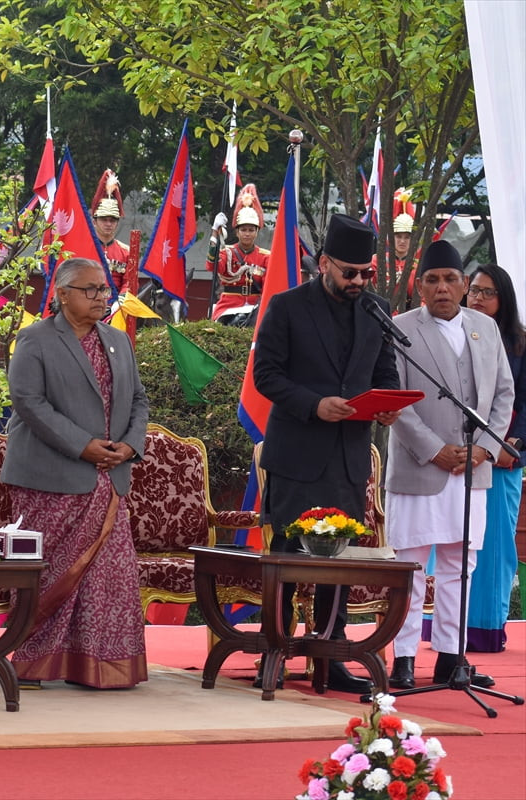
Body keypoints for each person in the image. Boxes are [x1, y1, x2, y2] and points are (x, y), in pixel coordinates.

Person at [252, 213, 401, 694]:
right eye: (349, 272)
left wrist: (387, 406)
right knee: (287, 557)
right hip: (297, 455)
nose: (358, 282)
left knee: (339, 559)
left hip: (347, 457)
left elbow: (385, 372)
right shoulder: (288, 306)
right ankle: (274, 649)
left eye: (366, 273)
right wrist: (315, 405)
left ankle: (329, 651)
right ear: (323, 264)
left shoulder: (376, 310)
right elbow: (266, 375)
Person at [0, 257, 149, 689]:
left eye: (104, 289)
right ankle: (31, 663)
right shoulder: (35, 339)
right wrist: (83, 446)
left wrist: (130, 445)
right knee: (48, 574)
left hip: (110, 478)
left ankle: (100, 667)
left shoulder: (118, 340)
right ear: (62, 294)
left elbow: (138, 401)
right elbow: (28, 401)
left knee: (108, 579)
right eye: (91, 289)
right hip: (51, 478)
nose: (102, 297)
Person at [385, 242, 514, 689]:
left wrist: (483, 448)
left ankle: (451, 656)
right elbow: (396, 401)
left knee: (461, 566)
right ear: (420, 287)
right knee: (411, 568)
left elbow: (503, 394)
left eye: (450, 279)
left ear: (463, 285)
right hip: (419, 468)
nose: (442, 288)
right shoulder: (401, 328)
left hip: (472, 470)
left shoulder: (485, 328)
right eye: (433, 280)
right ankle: (403, 658)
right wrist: (435, 450)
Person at [463, 264, 526, 653]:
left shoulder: (519, 344)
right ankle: (445, 627)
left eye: (487, 292)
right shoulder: (453, 334)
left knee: (495, 545)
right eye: (474, 290)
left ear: (504, 298)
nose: (478, 298)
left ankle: (485, 627)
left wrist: (513, 442)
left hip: (501, 459)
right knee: (454, 544)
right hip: (457, 458)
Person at [208, 184, 269, 324]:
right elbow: (212, 266)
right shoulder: (227, 252)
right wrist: (214, 232)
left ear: (257, 232)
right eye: (243, 230)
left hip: (255, 305)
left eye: (251, 230)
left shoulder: (266, 257)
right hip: (229, 306)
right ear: (237, 232)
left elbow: (267, 286)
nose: (247, 234)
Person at [375, 187, 418, 312]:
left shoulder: (418, 265)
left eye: (407, 237)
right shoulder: (376, 261)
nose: (402, 241)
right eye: (398, 236)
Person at [90, 170, 131, 292]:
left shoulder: (126, 252)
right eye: (104, 220)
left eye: (112, 220)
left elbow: (129, 282)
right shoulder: (85, 247)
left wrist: (120, 300)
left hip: (118, 301)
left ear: (117, 223)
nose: (108, 224)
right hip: (89, 299)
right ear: (94, 222)